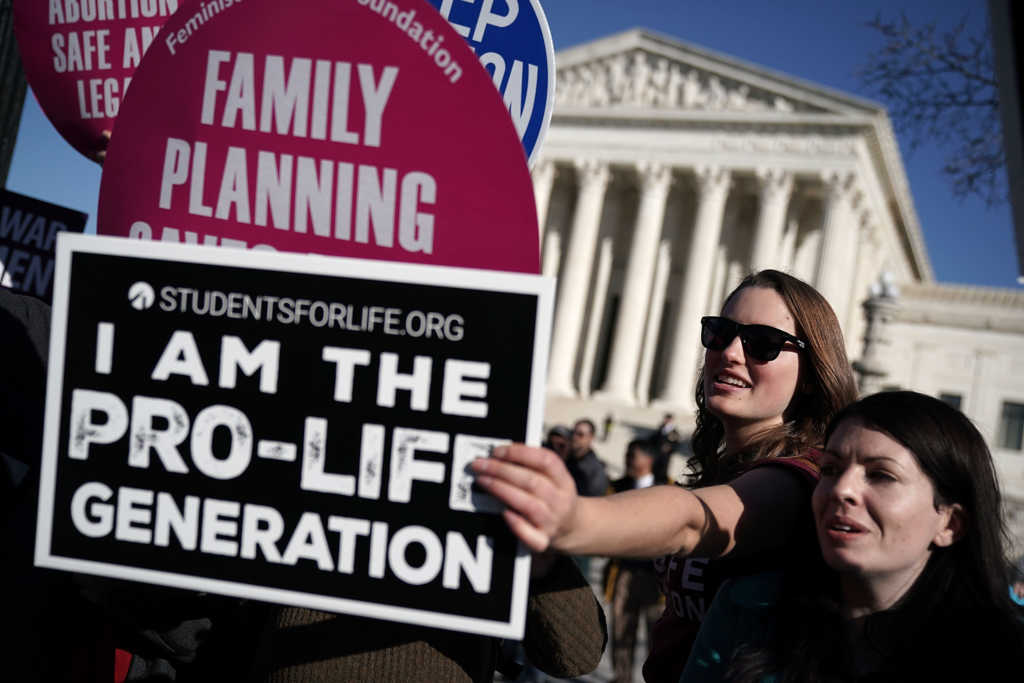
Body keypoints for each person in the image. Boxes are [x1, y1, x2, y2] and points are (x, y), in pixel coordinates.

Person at [471, 270, 858, 682]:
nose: (729, 352)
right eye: (720, 332)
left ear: (813, 378)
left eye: (762, 344)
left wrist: (571, 519)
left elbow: (691, 521)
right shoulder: (725, 467)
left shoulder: (800, 479)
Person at [681, 391, 1024, 681]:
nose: (842, 490)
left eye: (880, 475)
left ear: (950, 524)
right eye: (830, 469)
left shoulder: (1002, 650)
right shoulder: (747, 609)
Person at [604, 440, 668, 683]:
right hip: (625, 572)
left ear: (648, 460)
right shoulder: (616, 487)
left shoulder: (668, 488)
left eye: (633, 456)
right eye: (627, 454)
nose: (627, 460)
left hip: (656, 577)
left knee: (657, 633)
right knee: (621, 631)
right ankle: (622, 678)